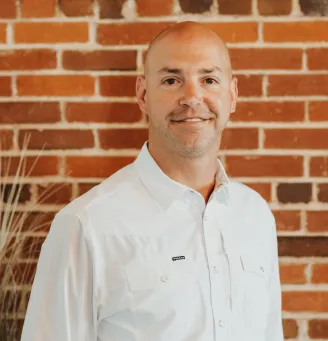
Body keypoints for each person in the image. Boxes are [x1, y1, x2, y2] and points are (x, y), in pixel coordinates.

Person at [21, 21, 284, 341]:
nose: (192, 97)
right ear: (143, 95)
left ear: (232, 95)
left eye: (209, 79)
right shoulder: (86, 225)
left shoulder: (254, 215)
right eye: (172, 80)